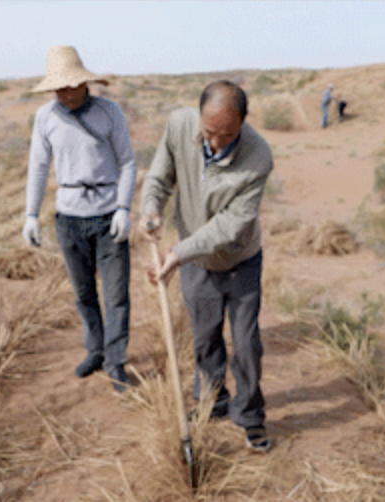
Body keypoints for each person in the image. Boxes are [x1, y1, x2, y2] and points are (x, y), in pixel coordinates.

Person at [139, 80, 274, 452]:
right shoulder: (181, 125)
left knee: (246, 344)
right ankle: (213, 401)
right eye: (209, 132)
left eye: (226, 134)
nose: (215, 142)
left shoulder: (258, 157)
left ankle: (249, 414)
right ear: (198, 117)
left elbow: (231, 226)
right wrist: (151, 209)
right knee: (205, 335)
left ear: (243, 123)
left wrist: (179, 252)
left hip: (239, 259)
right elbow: (159, 177)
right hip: (196, 261)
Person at [23, 46, 137, 392]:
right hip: (69, 219)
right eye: (60, 88)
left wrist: (123, 208)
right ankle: (96, 351)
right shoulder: (45, 117)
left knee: (116, 294)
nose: (67, 93)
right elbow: (39, 167)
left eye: (72, 85)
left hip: (107, 215)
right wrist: (30, 214)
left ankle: (117, 360)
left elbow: (129, 162)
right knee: (83, 293)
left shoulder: (110, 111)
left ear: (85, 82)